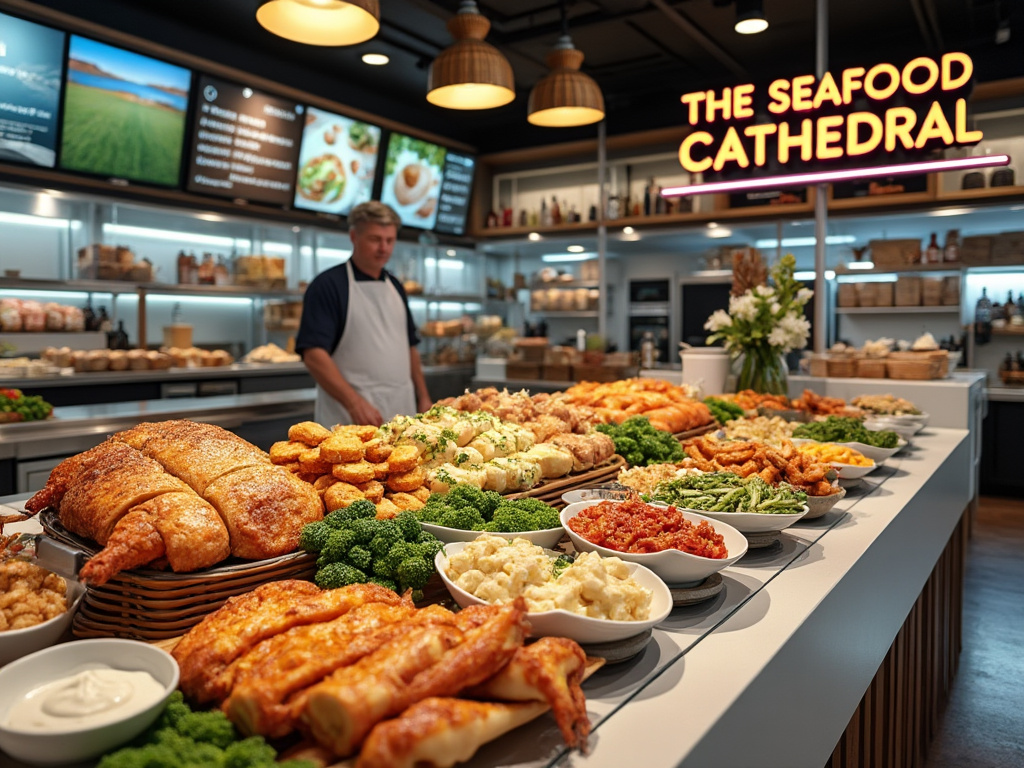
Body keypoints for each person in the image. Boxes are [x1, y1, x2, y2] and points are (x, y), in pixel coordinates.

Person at [296, 201, 432, 427]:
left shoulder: (396, 286)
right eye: (375, 239)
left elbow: (410, 347)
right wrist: (354, 403)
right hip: (349, 420)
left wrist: (424, 396)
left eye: (389, 240)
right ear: (353, 237)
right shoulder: (328, 285)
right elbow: (314, 355)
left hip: (402, 412)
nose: (384, 248)